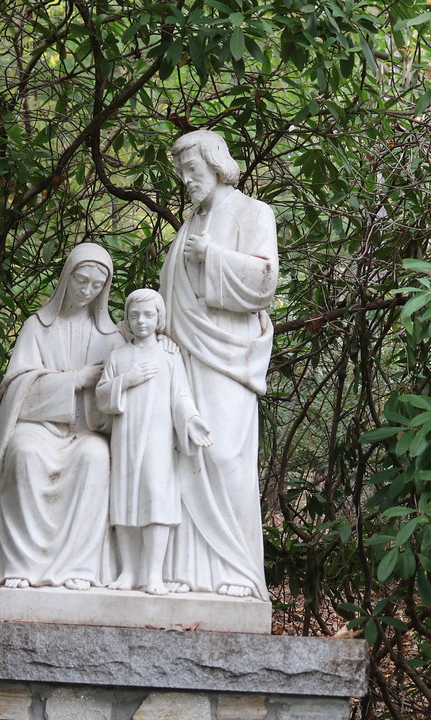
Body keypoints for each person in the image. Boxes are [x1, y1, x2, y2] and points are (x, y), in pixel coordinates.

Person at [159, 130, 279, 600]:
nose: (187, 181)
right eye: (182, 174)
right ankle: (188, 573)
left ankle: (238, 571)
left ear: (216, 165)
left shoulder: (253, 212)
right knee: (184, 452)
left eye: (193, 170)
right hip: (185, 351)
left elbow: (264, 281)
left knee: (225, 455)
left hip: (229, 354)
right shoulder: (190, 224)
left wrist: (212, 256)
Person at [0, 243, 123, 590]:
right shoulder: (38, 327)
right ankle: (20, 564)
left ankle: (80, 567)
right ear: (66, 277)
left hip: (86, 429)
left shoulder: (111, 337)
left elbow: (123, 387)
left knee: (95, 457)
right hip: (39, 427)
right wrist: (75, 380)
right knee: (24, 453)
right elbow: (16, 392)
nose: (87, 291)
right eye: (81, 281)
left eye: (96, 286)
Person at [96, 289, 212, 594]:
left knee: (156, 498)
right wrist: (127, 380)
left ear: (159, 318)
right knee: (125, 500)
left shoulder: (169, 355)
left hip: (158, 438)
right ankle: (128, 571)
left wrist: (191, 421)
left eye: (148, 315)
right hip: (126, 436)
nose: (141, 321)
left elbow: (181, 394)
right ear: (127, 319)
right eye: (134, 315)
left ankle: (154, 575)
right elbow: (101, 396)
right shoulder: (119, 356)